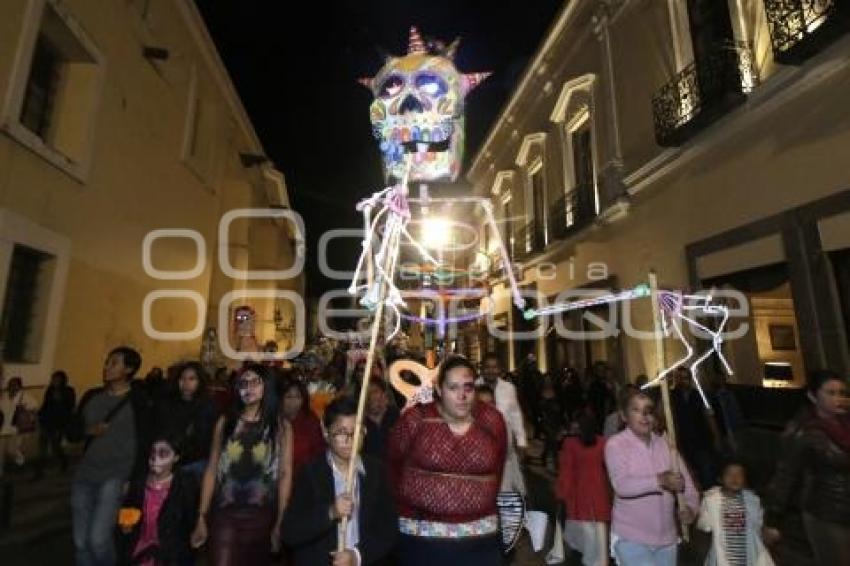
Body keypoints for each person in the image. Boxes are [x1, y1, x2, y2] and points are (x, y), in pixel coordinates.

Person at [387, 355, 507, 565]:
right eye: (453, 388)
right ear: (440, 390)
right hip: (421, 538)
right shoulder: (415, 420)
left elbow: (498, 467)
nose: (462, 395)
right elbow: (392, 466)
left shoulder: (492, 420)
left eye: (468, 387)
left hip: (480, 539)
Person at [190, 363, 293, 566]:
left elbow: (285, 474)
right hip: (225, 513)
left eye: (255, 382)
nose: (249, 388)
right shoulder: (226, 422)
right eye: (243, 383)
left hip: (262, 515)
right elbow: (212, 469)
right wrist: (202, 516)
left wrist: (281, 520)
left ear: (267, 387)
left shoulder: (280, 427)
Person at [282, 396, 397, 565]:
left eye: (355, 431)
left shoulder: (376, 471)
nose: (349, 440)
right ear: (325, 432)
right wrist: (330, 512)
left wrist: (356, 556)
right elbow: (290, 532)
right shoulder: (311, 473)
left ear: (364, 432)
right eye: (341, 432)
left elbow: (388, 529)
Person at [71, 346, 153, 566]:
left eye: (114, 363)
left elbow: (145, 442)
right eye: (107, 361)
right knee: (80, 542)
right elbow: (72, 431)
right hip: (85, 474)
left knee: (98, 539)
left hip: (115, 476)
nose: (107, 366)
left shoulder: (139, 402)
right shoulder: (92, 396)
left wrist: (134, 479)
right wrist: (89, 431)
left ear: (129, 369)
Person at [605, 389, 699, 566]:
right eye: (636, 410)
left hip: (667, 540)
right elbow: (622, 485)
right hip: (631, 538)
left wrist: (691, 510)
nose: (644, 415)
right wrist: (660, 480)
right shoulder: (616, 445)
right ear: (624, 416)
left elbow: (689, 489)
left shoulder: (666, 446)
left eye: (648, 410)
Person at [766, 369, 849, 566]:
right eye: (830, 393)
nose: (838, 398)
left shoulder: (846, 423)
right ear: (813, 396)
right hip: (827, 511)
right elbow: (786, 475)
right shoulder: (804, 431)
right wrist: (773, 520)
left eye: (842, 393)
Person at [117, 431, 198, 566]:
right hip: (140, 551)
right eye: (153, 453)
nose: (155, 458)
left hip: (171, 555)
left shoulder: (185, 486)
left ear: (176, 457)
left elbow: (189, 525)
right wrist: (126, 525)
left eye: (163, 454)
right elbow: (127, 519)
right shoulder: (138, 485)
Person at [697, 459, 775, 566]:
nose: (735, 478)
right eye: (730, 474)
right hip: (723, 557)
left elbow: (758, 525)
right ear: (720, 478)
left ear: (745, 479)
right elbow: (704, 525)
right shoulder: (711, 500)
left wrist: (767, 532)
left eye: (739, 475)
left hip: (748, 556)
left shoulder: (752, 501)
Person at [556, 412, 610, 566]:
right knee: (600, 537)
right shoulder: (602, 442)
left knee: (587, 538)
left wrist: (562, 496)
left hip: (580, 495)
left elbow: (566, 472)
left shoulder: (570, 444)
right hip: (600, 494)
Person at [155, 362, 218, 479]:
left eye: (191, 379)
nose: (186, 383)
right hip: (168, 461)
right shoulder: (167, 403)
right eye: (182, 378)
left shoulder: (207, 406)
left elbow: (207, 438)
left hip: (195, 462)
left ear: (200, 381)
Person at [671, 367, 721, 488]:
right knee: (689, 478)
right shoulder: (671, 396)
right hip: (682, 443)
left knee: (707, 475)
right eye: (680, 378)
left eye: (685, 377)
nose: (683, 381)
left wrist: (717, 437)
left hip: (701, 441)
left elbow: (709, 416)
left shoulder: (698, 395)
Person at [475, 384, 524, 494]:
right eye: (482, 404)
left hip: (502, 481)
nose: (487, 408)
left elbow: (509, 458)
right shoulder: (469, 427)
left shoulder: (501, 426)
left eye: (490, 403)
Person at [479, 353, 528, 461]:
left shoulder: (509, 388)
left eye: (494, 367)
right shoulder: (473, 387)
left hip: (505, 445)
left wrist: (521, 441)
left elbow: (516, 416)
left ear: (500, 369)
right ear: (482, 369)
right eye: (487, 367)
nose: (491, 371)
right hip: (480, 445)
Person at [32, 370, 76, 480]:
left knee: (55, 446)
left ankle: (63, 462)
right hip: (46, 422)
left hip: (59, 424)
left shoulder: (68, 391)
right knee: (42, 448)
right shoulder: (50, 390)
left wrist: (60, 399)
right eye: (53, 379)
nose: (54, 381)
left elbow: (70, 407)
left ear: (62, 380)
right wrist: (39, 415)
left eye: (57, 379)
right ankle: (39, 472)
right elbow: (45, 404)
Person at [280, 376, 325, 473]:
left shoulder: (310, 420)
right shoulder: (275, 420)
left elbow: (319, 451)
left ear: (303, 399)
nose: (293, 402)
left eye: (297, 397)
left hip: (305, 476)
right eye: (288, 397)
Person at [0, 376, 38, 475]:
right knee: (2, 451)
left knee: (13, 450)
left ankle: (20, 463)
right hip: (3, 428)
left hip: (17, 428)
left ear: (19, 386)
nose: (12, 387)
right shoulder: (4, 395)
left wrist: (25, 410)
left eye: (14, 385)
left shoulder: (25, 397)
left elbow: (34, 409)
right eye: (10, 384)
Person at [363, 379, 399, 460]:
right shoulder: (360, 423)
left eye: (375, 391)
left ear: (384, 394)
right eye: (366, 393)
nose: (370, 396)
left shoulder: (396, 415)